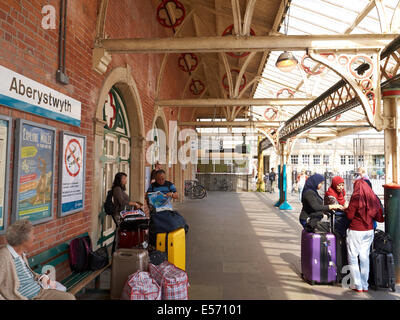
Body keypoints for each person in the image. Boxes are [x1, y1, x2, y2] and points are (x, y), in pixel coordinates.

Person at [0, 220, 75, 300]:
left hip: (40, 292)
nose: (34, 238)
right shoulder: (4, 256)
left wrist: (41, 277)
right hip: (24, 297)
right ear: (23, 240)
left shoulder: (21, 253)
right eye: (32, 235)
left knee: (69, 297)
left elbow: (27, 275)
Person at [345, 179, 384, 293]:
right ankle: (365, 285)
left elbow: (350, 215)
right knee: (364, 257)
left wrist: (347, 208)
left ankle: (357, 285)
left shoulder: (356, 197)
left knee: (353, 257)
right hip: (369, 230)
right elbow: (378, 215)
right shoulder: (373, 197)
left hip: (356, 230)